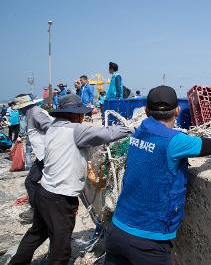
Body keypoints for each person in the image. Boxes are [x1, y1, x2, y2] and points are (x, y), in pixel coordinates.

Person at [104, 85, 211, 265]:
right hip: (149, 241)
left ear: (146, 110)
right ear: (177, 110)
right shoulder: (174, 141)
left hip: (117, 230)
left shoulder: (138, 132)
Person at [9, 94, 132, 265]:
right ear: (75, 114)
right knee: (61, 248)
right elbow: (108, 133)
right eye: (81, 114)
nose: (82, 117)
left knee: (36, 234)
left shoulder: (52, 127)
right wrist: (132, 129)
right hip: (60, 200)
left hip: (43, 192)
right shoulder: (76, 130)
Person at [13, 94, 53, 224]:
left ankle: (37, 211)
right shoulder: (32, 113)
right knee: (32, 182)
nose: (19, 111)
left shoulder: (36, 114)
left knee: (30, 182)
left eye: (20, 108)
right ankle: (38, 209)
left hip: (47, 156)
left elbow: (52, 130)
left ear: (25, 106)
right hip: (43, 155)